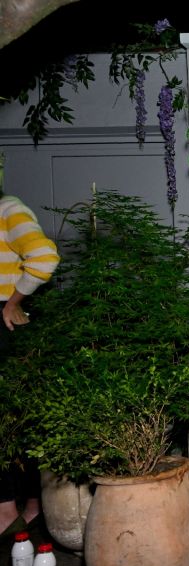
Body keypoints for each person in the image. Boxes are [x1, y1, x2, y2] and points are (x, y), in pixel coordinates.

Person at [0, 174, 61, 539]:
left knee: (13, 418)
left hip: (4, 322)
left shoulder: (8, 209)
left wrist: (12, 302)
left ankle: (10, 509)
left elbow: (44, 257)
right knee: (18, 418)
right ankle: (30, 506)